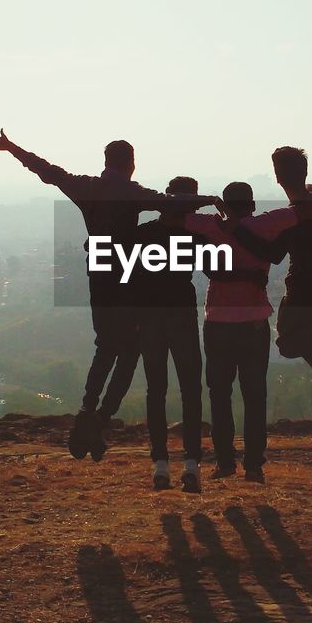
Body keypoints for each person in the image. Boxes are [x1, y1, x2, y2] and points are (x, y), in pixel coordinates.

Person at [0, 130, 218, 461]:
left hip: (99, 275)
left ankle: (88, 411)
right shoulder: (132, 192)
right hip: (128, 278)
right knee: (130, 352)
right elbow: (167, 202)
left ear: (106, 162)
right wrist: (210, 201)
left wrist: (11, 147)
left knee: (106, 346)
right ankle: (99, 419)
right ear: (131, 165)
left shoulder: (85, 187)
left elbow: (47, 171)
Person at [184, 182, 306, 484]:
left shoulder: (211, 227)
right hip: (254, 321)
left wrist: (208, 204)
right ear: (251, 204)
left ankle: (225, 462)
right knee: (254, 395)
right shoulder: (264, 225)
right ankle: (254, 465)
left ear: (225, 203)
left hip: (217, 322)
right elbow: (304, 211)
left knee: (219, 395)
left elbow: (176, 214)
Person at [230, 146, 312, 425]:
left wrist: (239, 231)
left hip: (301, 287)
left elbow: (272, 254)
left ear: (277, 177)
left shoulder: (291, 217)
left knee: (288, 342)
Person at [126, 176, 208, 493]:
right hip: (181, 315)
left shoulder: (145, 233)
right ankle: (191, 465)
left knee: (156, 391)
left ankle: (160, 465)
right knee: (190, 390)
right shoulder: (194, 233)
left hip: (149, 318)